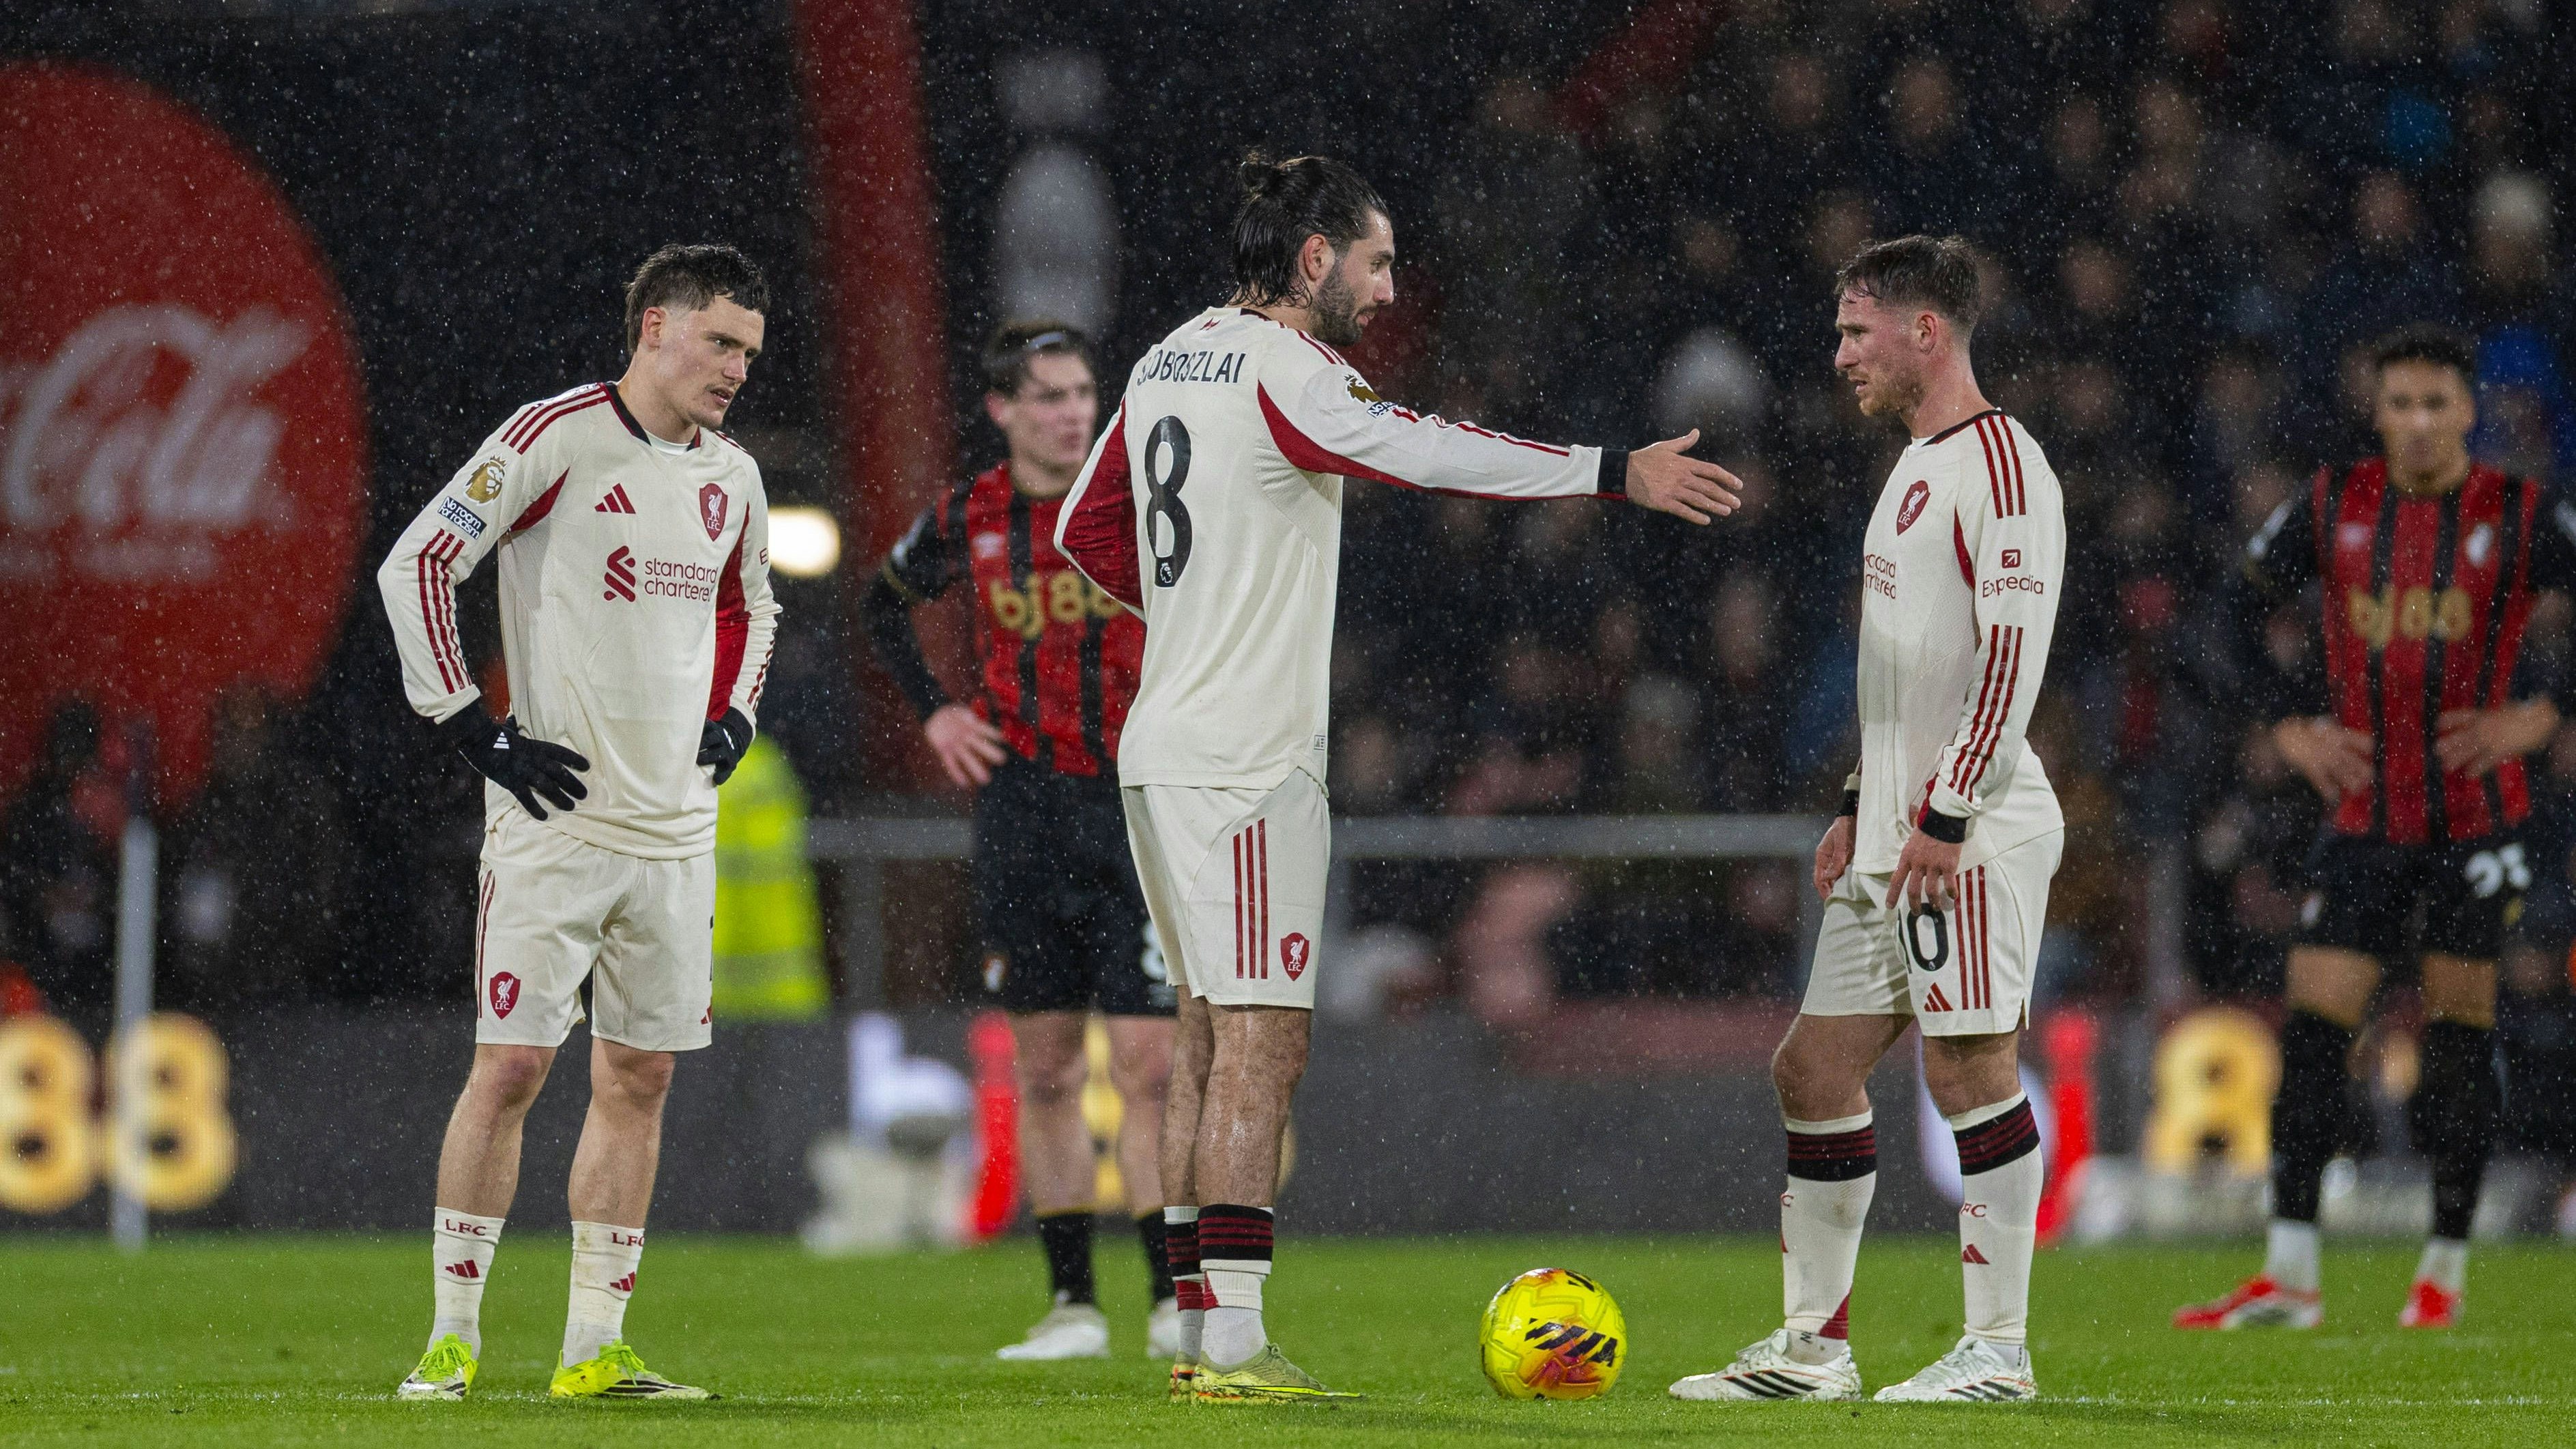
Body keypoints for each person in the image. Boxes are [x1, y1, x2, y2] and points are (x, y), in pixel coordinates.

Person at [1056, 151, 1741, 1403]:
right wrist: (1611, 468)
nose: (1385, 290)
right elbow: (1425, 451)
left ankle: (1197, 1325)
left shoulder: (1170, 354)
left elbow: (1084, 530)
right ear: (1314, 261)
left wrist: (1192, 615)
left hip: (1160, 744)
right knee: (1262, 1040)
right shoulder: (1292, 370)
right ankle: (1234, 1347)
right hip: (1248, 758)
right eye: (1373, 262)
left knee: (1207, 1034)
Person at [375, 244, 779, 1402]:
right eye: (719, 341)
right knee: (509, 1068)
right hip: (554, 824)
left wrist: (736, 720)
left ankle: (592, 1349)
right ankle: (451, 1339)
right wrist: (473, 728)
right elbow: (422, 564)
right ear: (655, 326)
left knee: (639, 1076)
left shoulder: (734, 476)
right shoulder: (557, 433)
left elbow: (755, 602)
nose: (737, 369)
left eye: (749, 351)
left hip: (673, 834)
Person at [1670, 235, 2065, 1405]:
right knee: (1813, 1067)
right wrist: (1860, 800)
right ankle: (1815, 1351)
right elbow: (1905, 676)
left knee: (1970, 1065)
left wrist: (1943, 815)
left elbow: (2009, 661)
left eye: (1857, 332)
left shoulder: (2002, 467)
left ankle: (1998, 1352)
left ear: (1926, 332)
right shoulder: (1911, 466)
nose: (1840, 354)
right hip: (1899, 830)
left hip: (1971, 829)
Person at [2175, 326, 2576, 1332]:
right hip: (2365, 816)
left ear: (2469, 412)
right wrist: (2287, 724)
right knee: (2313, 1036)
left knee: (2454, 1044)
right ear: (2379, 411)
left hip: (2476, 823)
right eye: (2402, 404)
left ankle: (2442, 1267)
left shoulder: (2522, 514)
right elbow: (2224, 616)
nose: (2420, 423)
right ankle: (2293, 1275)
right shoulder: (2333, 504)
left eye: (2438, 404)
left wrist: (2545, 712)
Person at [859, 318, 1180, 1362]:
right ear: (1002, 409)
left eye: (1083, 391)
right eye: (1047, 395)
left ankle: (1176, 1301)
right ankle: (1073, 1307)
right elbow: (880, 603)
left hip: (1135, 806)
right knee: (1042, 1067)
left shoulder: (1141, 502)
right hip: (1023, 813)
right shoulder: (971, 513)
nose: (1072, 411)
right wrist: (936, 712)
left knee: (1148, 1063)